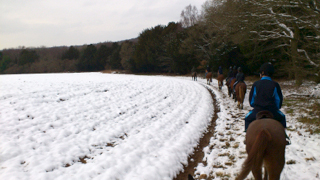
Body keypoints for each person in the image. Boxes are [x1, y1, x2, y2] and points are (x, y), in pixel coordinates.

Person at [244, 62, 290, 145]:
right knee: (282, 117)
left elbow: (252, 101)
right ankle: (284, 137)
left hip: (257, 111)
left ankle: (247, 137)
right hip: (272, 111)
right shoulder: (275, 85)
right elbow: (278, 100)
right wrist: (276, 107)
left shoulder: (256, 84)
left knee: (247, 118)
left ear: (262, 73)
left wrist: (255, 105)